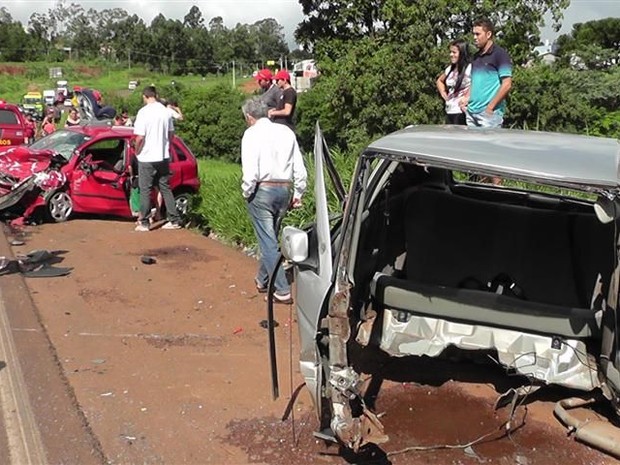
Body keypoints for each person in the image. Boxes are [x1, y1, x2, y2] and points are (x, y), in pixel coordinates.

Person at [241, 97, 307, 304]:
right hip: (284, 188)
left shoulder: (251, 134)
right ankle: (262, 279)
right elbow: (299, 164)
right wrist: (299, 192)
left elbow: (250, 169)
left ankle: (282, 289)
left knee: (267, 240)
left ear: (249, 117)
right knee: (270, 237)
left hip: (262, 188)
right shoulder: (286, 132)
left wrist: (246, 191)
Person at [132, 86, 182, 232]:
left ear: (144, 96)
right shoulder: (165, 112)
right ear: (156, 95)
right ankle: (174, 219)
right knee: (165, 188)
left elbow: (140, 137)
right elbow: (171, 134)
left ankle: (145, 221)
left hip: (147, 156)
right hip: (163, 156)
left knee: (146, 189)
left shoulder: (143, 113)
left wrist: (137, 151)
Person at [462, 18, 512, 128]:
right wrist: (466, 98)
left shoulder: (500, 55)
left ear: (488, 34)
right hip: (471, 113)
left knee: (487, 145)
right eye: (473, 34)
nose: (474, 38)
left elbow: (507, 84)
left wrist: (490, 107)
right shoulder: (476, 57)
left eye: (478, 34)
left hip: (489, 115)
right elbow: (474, 82)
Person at [436, 39, 471, 125]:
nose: (451, 55)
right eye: (450, 52)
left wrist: (467, 97)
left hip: (462, 111)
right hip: (450, 110)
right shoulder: (450, 69)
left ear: (462, 53)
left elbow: (478, 83)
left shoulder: (469, 68)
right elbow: (439, 80)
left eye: (454, 52)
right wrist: (443, 93)